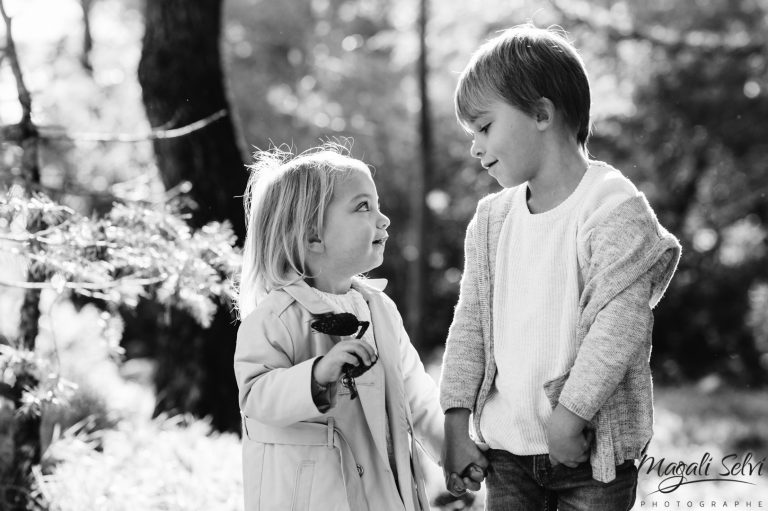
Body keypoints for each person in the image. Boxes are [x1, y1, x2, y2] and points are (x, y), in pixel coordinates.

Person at [439, 24, 682, 510]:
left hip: (589, 456)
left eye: (484, 128)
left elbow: (620, 323)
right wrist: (454, 422)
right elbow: (469, 326)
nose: (475, 148)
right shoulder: (492, 221)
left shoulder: (611, 207)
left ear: (541, 113)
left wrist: (570, 415)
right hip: (506, 455)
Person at [234, 142, 452, 511]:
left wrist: (452, 451)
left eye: (378, 206)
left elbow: (415, 394)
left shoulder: (379, 309)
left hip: (387, 494)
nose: (383, 219)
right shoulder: (275, 318)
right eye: (363, 207)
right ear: (313, 237)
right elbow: (256, 396)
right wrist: (317, 374)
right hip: (320, 496)